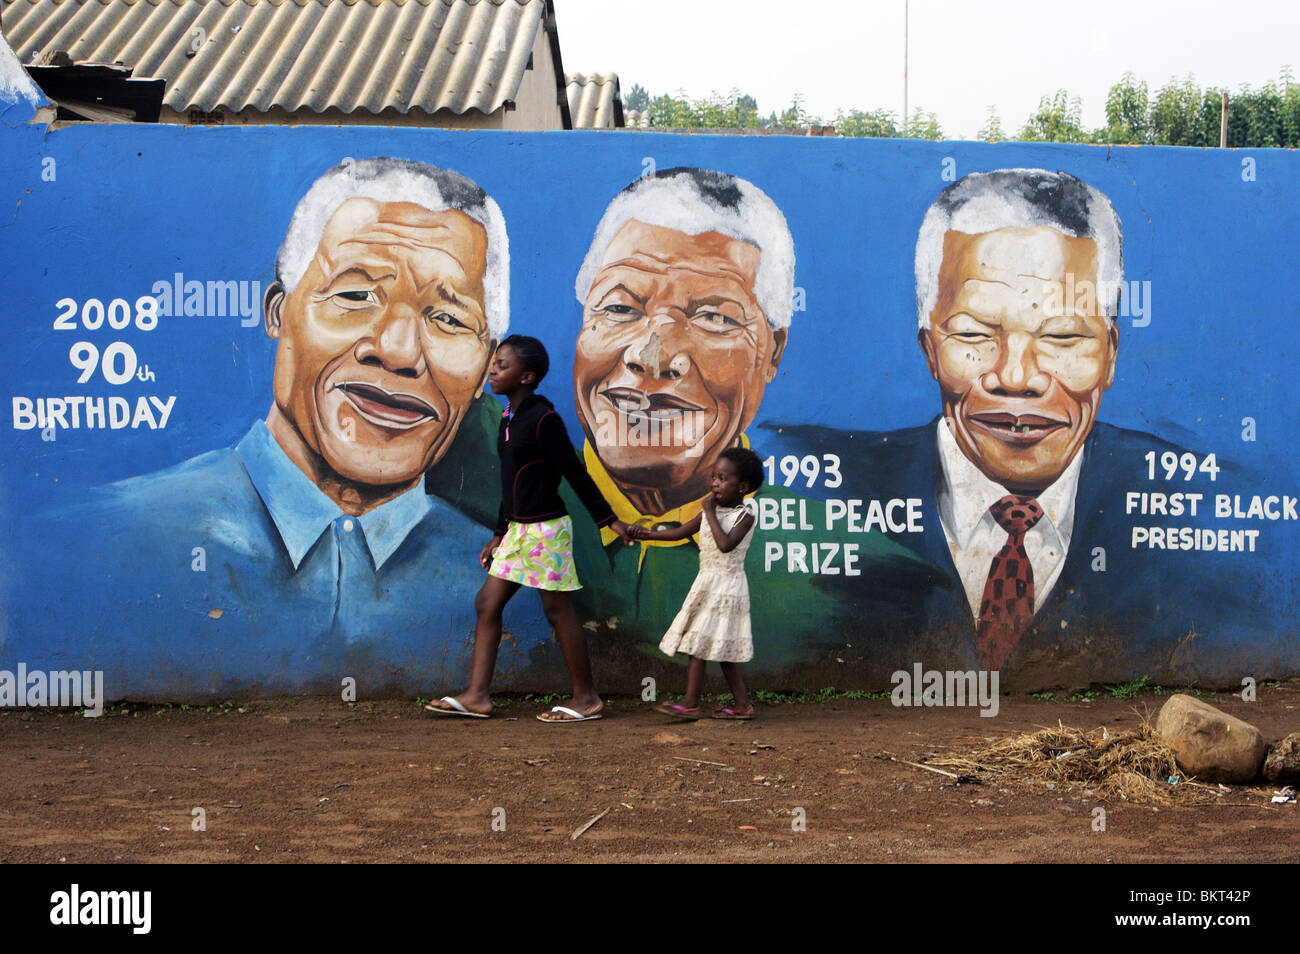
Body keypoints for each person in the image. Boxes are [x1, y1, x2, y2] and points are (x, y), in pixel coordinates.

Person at [23, 157, 528, 695]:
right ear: (276, 313)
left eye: (449, 320)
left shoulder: (492, 574)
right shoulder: (113, 537)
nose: (399, 351)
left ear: (484, 369)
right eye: (355, 296)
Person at [806, 168, 1262, 681]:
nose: (1016, 377)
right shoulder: (825, 496)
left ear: (1110, 355)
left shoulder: (1204, 511)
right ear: (929, 350)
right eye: (975, 334)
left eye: (1063, 336)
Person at [556, 168, 946, 669]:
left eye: (714, 317)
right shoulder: (519, 515)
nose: (651, 356)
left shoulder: (884, 585)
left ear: (773, 351)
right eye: (619, 308)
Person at [426, 335, 633, 722]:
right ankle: (477, 696)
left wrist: (609, 521)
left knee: (558, 610)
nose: (493, 370)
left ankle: (586, 699)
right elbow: (512, 483)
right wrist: (500, 532)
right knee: (488, 603)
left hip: (546, 530)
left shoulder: (543, 419)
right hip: (519, 531)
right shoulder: (509, 418)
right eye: (494, 363)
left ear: (527, 376)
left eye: (503, 366)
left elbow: (576, 474)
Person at [634, 447, 762, 721]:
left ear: (743, 486)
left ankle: (690, 704)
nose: (715, 483)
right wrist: (644, 533)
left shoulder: (745, 517)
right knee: (722, 651)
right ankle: (742, 706)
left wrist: (709, 512)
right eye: (714, 477)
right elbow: (678, 533)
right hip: (707, 584)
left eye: (723, 478)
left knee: (698, 644)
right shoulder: (709, 512)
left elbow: (725, 545)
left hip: (727, 588)